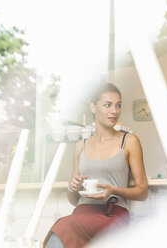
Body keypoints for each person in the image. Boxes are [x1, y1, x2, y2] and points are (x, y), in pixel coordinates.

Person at [43, 83, 149, 248]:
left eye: (118, 105)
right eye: (108, 105)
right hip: (82, 212)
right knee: (63, 227)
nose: (114, 111)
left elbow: (142, 192)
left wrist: (113, 190)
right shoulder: (81, 145)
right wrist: (73, 187)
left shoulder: (129, 141)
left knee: (62, 227)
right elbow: (74, 200)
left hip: (113, 214)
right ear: (93, 107)